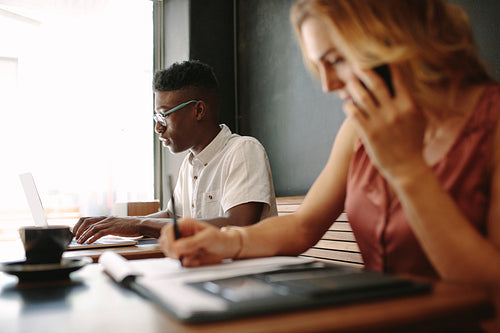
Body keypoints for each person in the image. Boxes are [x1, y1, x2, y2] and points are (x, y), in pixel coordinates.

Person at [159, 0, 500, 287]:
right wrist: (227, 241)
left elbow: (490, 287)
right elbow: (303, 225)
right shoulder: (359, 129)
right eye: (318, 65)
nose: (327, 84)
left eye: (336, 60)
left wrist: (408, 170)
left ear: (393, 37)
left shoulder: (492, 123)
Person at [73, 60, 277, 244]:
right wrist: (113, 223)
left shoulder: (243, 150)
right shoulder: (190, 164)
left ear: (198, 111)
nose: (157, 128)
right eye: (156, 118)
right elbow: (173, 216)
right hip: (208, 272)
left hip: (249, 277)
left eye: (163, 117)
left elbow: (237, 225)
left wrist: (139, 224)